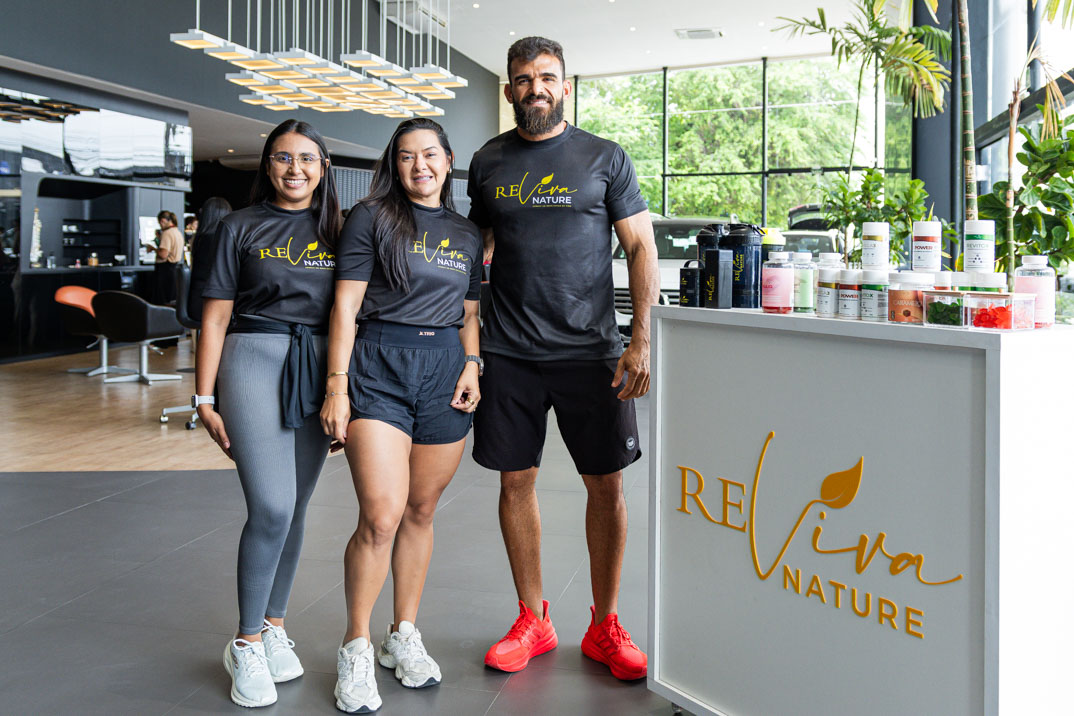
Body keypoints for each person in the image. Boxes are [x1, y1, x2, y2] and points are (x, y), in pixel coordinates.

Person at [466, 36, 659, 681]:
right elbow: (476, 246)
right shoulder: (488, 160)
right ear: (509, 90)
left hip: (590, 352)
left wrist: (640, 340)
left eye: (547, 77)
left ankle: (605, 625)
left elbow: (640, 247)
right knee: (514, 482)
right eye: (524, 79)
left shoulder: (605, 157)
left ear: (565, 86)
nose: (536, 89)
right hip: (509, 351)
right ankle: (533, 619)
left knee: (607, 484)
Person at [320, 118, 482, 713]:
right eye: (408, 156)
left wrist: (472, 365)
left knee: (420, 510)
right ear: (395, 163)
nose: (420, 166)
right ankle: (356, 645)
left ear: (449, 160)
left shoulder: (466, 233)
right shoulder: (371, 218)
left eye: (431, 154)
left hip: (445, 371)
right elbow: (345, 306)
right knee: (381, 515)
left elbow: (470, 312)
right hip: (378, 364)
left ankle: (403, 633)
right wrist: (337, 386)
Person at [195, 119, 342, 708]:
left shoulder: (341, 230)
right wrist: (204, 398)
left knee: (298, 505)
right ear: (267, 165)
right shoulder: (238, 226)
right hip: (253, 357)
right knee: (272, 505)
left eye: (307, 158)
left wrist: (345, 391)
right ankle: (246, 641)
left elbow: (356, 312)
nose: (294, 168)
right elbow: (213, 318)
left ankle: (274, 624)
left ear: (324, 167)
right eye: (283, 157)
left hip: (320, 366)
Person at [152, 210, 184, 304]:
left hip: (164, 270)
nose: (160, 226)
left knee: (162, 300)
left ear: (162, 221)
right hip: (174, 269)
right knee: (171, 300)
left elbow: (163, 254)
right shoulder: (177, 232)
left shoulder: (167, 233)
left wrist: (153, 248)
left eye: (160, 223)